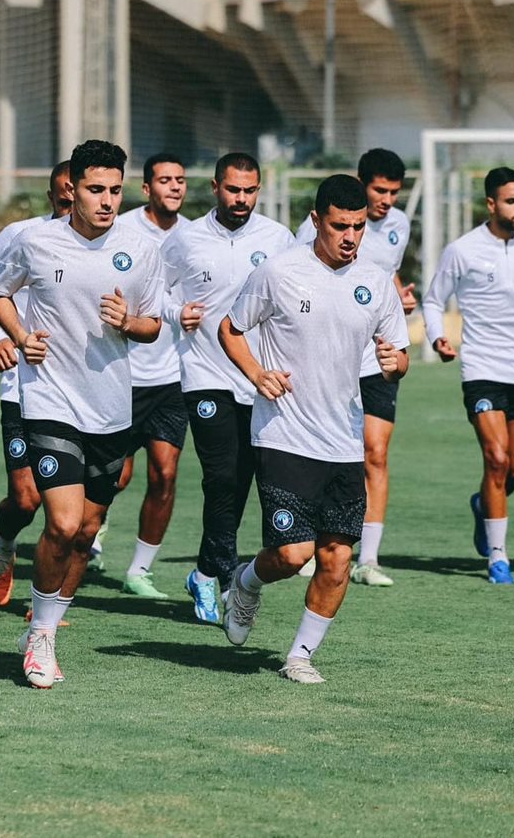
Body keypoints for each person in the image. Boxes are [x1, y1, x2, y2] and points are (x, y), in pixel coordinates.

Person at [0, 139, 165, 688]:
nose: (107, 200)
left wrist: (128, 322)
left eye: (114, 190)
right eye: (95, 189)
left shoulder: (141, 248)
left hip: (110, 408)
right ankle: (41, 636)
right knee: (62, 523)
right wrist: (21, 336)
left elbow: (154, 324)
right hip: (50, 400)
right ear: (73, 190)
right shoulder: (35, 242)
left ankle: (45, 624)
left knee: (85, 534)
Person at [219, 175, 410, 684]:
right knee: (292, 554)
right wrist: (256, 373)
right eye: (339, 226)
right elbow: (230, 329)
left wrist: (395, 363)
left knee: (337, 559)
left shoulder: (375, 282)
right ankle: (245, 582)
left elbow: (399, 353)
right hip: (283, 434)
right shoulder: (278, 273)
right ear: (315, 220)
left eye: (358, 227)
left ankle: (300, 656)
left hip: (344, 441)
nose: (350, 237)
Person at [159, 152, 297, 622]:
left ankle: (203, 571)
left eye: (249, 190)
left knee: (242, 477)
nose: (241, 198)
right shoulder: (186, 239)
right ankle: (220, 577)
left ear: (259, 190)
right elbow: (152, 289)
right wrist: (175, 312)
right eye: (233, 189)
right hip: (205, 375)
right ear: (216, 187)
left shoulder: (277, 238)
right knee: (221, 476)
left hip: (259, 377)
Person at [423, 168, 514, 584]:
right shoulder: (462, 250)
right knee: (497, 458)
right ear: (491, 204)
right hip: (481, 368)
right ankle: (499, 558)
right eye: (511, 201)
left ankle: (483, 504)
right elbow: (433, 300)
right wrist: (437, 338)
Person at [295, 149, 416, 587]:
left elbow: (386, 275)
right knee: (322, 451)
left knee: (375, 453)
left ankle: (369, 558)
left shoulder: (399, 225)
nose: (387, 200)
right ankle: (308, 542)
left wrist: (400, 298)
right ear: (361, 184)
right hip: (330, 357)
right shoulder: (313, 230)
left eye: (394, 193)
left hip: (376, 354)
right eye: (379, 190)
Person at [0, 160, 73, 608]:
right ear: (52, 197)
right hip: (24, 390)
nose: (72, 206)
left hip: (83, 397)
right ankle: (5, 540)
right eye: (63, 198)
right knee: (26, 500)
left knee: (72, 515)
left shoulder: (113, 245)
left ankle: (44, 609)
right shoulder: (23, 236)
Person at [101, 152, 191, 596]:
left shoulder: (192, 236)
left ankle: (139, 569)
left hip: (171, 378)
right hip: (122, 374)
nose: (174, 187)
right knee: (115, 476)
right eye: (165, 180)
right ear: (146, 187)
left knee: (165, 474)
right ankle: (91, 532)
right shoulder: (121, 230)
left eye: (180, 180)